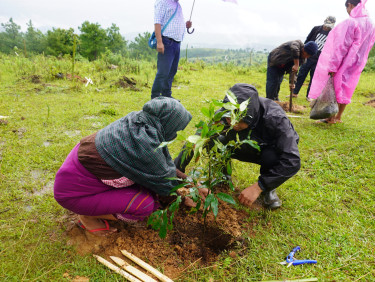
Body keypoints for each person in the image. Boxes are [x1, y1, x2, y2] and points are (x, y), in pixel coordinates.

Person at [54, 98, 194, 236]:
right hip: (73, 193)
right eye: (176, 130)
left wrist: (191, 183)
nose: (175, 134)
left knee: (151, 190)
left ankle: (95, 206)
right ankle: (88, 216)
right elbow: (165, 183)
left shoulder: (141, 124)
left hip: (79, 177)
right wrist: (183, 200)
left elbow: (163, 167)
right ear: (168, 125)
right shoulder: (144, 145)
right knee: (145, 205)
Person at [175, 83, 301, 209]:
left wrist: (260, 186)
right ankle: (223, 177)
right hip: (237, 146)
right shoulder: (225, 114)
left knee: (273, 156)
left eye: (238, 120)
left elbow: (292, 160)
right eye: (229, 119)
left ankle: (268, 188)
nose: (233, 124)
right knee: (211, 140)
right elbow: (197, 140)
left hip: (265, 150)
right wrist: (176, 171)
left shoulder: (274, 118)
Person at [309, 0, 375, 124]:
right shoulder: (370, 23)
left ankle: (330, 118)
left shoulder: (351, 22)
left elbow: (341, 47)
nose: (348, 12)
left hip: (345, 62)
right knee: (347, 87)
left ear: (350, 5)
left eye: (347, 9)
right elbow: (370, 43)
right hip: (358, 62)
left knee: (336, 87)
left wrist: (333, 66)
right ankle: (338, 116)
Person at [151, 0, 192, 100]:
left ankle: (166, 95)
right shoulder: (162, 2)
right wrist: (159, 42)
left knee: (172, 71)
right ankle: (155, 98)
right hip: (167, 42)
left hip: (176, 42)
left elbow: (174, 22)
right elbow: (157, 22)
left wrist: (186, 25)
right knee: (163, 72)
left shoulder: (177, 5)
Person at [293, 16, 336, 101]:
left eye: (329, 26)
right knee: (302, 74)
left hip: (319, 60)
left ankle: (309, 96)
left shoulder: (332, 33)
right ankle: (295, 93)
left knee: (314, 77)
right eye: (326, 24)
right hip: (308, 56)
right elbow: (307, 40)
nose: (327, 27)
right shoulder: (316, 29)